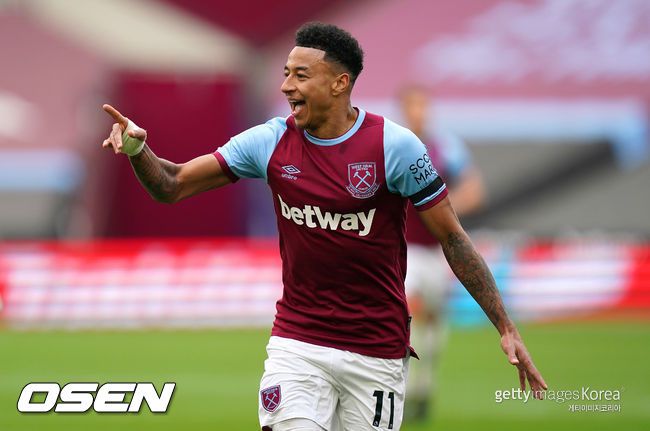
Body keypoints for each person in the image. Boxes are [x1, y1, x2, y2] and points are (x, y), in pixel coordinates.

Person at [101, 22, 546, 431]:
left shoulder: (395, 147)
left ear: (339, 83)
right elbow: (173, 184)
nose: (286, 85)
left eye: (300, 75)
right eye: (285, 74)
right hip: (298, 344)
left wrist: (505, 327)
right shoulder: (270, 141)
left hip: (376, 351)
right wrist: (139, 150)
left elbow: (452, 238)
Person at [398, 85, 486, 422]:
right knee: (401, 315)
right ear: (404, 110)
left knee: (434, 319)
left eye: (422, 106)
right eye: (412, 107)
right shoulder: (394, 145)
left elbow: (474, 190)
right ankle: (402, 389)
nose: (417, 113)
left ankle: (425, 386)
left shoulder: (445, 147)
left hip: (437, 251)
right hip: (402, 251)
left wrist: (441, 209)